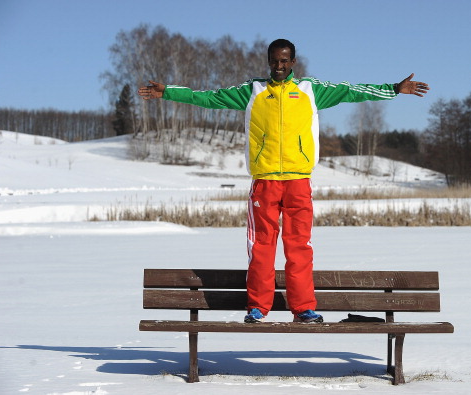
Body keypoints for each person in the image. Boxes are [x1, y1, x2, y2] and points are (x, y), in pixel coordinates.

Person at [138, 38, 429, 324]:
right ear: (268, 61)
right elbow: (209, 97)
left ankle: (303, 308)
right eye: (275, 61)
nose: (279, 66)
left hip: (298, 181)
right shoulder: (253, 90)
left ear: (293, 62)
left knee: (299, 246)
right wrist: (168, 93)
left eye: (284, 61)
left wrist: (393, 89)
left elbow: (350, 92)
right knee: (261, 246)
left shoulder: (310, 90)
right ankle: (258, 307)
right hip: (264, 182)